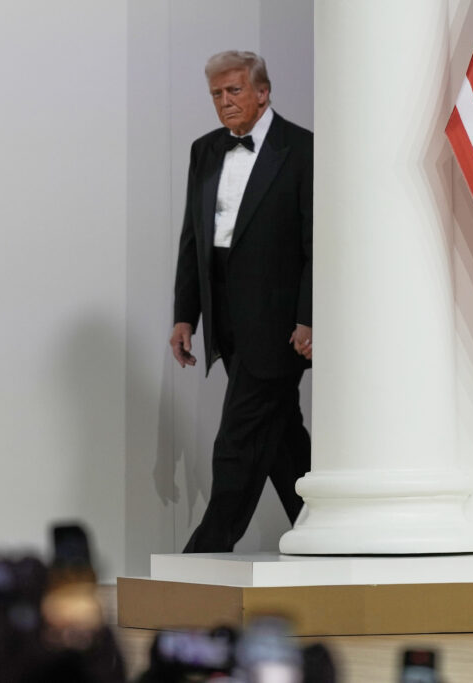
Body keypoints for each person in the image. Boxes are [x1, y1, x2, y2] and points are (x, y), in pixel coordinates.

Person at [170, 50, 313, 553]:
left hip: (278, 325)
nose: (225, 102)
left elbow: (316, 243)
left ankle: (205, 553)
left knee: (238, 439)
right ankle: (322, 525)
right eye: (216, 94)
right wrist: (186, 314)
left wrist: (309, 318)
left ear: (262, 92)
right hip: (225, 320)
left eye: (234, 91)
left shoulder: (303, 149)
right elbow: (194, 237)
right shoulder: (204, 150)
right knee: (280, 437)